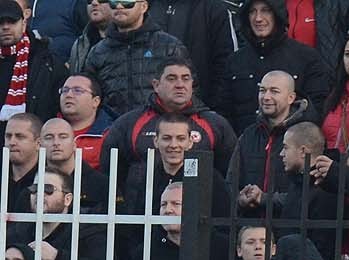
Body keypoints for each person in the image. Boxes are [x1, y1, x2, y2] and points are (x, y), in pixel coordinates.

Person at [97, 55, 235, 187]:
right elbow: (110, 172)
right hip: (140, 209)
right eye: (172, 78)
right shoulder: (129, 123)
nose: (180, 85)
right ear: (156, 85)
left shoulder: (215, 124)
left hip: (196, 209)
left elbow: (229, 174)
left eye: (186, 79)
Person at [220, 0, 332, 128]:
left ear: (277, 14)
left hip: (290, 143)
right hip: (242, 143)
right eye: (252, 12)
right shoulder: (235, 61)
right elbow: (224, 111)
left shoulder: (306, 57)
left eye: (265, 10)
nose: (258, 18)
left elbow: (317, 108)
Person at [81, 0, 186, 117]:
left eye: (127, 2)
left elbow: (188, 91)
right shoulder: (97, 52)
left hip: (159, 127)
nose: (119, 6)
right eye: (114, 2)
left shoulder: (169, 46)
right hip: (113, 129)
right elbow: (89, 96)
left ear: (143, 6)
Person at [230, 70, 313, 199]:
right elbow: (231, 183)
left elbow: (308, 192)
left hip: (288, 218)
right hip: (249, 218)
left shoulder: (305, 134)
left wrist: (264, 199)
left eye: (274, 91)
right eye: (262, 90)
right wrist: (240, 200)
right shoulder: (248, 135)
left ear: (291, 98)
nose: (266, 97)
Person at [0, 0, 66, 120]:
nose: (5, 27)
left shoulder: (46, 61)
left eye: (12, 21)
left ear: (24, 23)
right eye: (0, 22)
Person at [39, 117, 108, 211]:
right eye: (49, 137)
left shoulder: (102, 185)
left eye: (63, 137)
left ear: (74, 144)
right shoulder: (32, 184)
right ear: (39, 145)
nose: (56, 143)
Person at [57, 73, 109, 167]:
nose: (68, 95)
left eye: (77, 90)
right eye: (65, 90)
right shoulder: (48, 130)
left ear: (95, 101)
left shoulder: (109, 134)